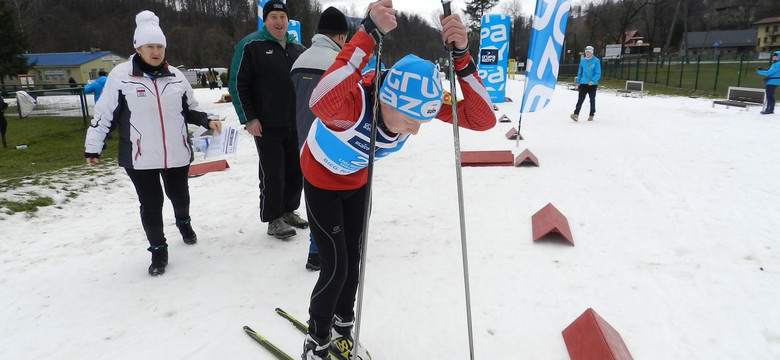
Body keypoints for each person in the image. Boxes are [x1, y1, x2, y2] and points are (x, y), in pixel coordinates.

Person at [299, 1, 495, 359]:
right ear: (385, 102)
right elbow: (318, 101)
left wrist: (464, 60)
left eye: (420, 122)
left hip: (357, 180)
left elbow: (483, 120)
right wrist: (367, 35)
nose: (414, 132)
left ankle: (344, 322)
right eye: (407, 122)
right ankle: (316, 338)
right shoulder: (354, 103)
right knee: (336, 264)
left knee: (354, 258)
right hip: (321, 179)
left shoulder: (416, 98)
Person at [84, 10, 222, 276]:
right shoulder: (121, 76)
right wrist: (93, 147)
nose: (156, 51)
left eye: (160, 46)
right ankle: (158, 249)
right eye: (150, 46)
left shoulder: (176, 76)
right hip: (139, 156)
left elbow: (190, 109)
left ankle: (184, 222)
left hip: (177, 151)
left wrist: (208, 119)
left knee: (180, 195)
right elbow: (104, 115)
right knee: (151, 202)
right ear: (138, 47)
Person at [228, 0, 308, 239]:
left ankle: (289, 210)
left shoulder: (298, 48)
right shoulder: (251, 45)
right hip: (266, 123)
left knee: (296, 170)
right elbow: (237, 83)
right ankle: (273, 218)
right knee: (273, 172)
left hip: (296, 122)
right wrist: (249, 118)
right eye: (273, 17)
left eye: (282, 17)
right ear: (265, 21)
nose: (279, 22)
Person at [290, 6, 349, 271]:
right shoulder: (339, 63)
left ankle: (315, 251)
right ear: (340, 37)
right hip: (334, 140)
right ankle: (328, 250)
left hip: (304, 140)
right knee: (339, 195)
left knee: (315, 196)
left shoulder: (298, 60)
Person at [570, 45, 601, 122]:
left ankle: (591, 114)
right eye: (586, 52)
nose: (587, 53)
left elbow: (598, 73)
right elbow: (580, 72)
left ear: (592, 53)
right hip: (583, 83)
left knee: (592, 100)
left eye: (589, 52)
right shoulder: (583, 61)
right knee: (580, 99)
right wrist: (578, 81)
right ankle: (576, 114)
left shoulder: (596, 61)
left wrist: (593, 81)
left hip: (592, 84)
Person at [757, 50, 780, 115]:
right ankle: (770, 108)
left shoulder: (778, 64)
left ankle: (769, 109)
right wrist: (764, 70)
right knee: (769, 95)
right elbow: (769, 70)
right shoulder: (775, 64)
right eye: (774, 57)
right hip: (771, 81)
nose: (774, 58)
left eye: (776, 57)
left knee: (770, 96)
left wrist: (759, 71)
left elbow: (769, 73)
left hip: (773, 82)